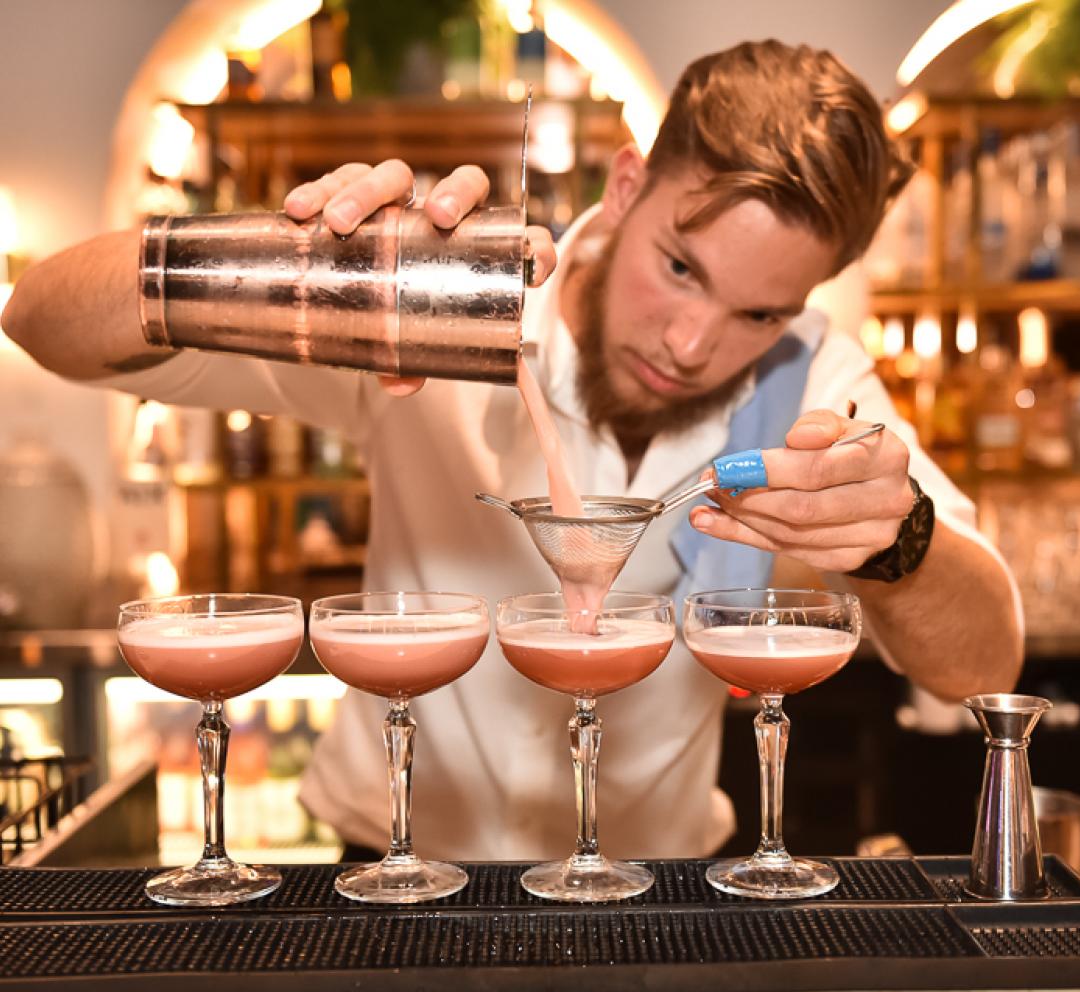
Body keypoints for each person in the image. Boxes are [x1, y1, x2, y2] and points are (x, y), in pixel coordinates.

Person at [2, 41, 1023, 861]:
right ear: (625, 186)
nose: (692, 342)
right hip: (399, 865)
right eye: (678, 266)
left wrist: (901, 541)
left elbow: (986, 664)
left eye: (756, 309)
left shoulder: (810, 375)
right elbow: (42, 318)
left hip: (658, 892)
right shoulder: (433, 307)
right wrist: (304, 259)